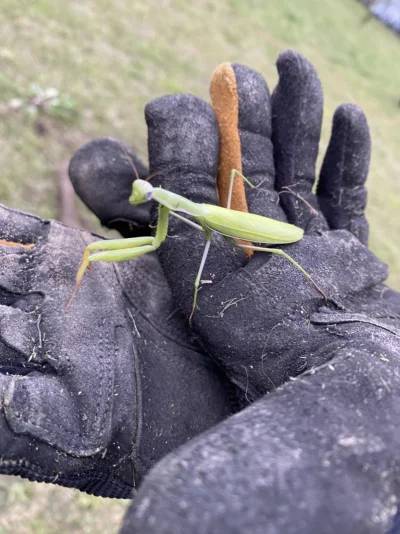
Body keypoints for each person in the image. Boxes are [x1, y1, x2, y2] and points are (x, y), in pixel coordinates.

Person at [0, 49, 399, 533]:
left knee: (206, 226)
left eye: (145, 195)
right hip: (229, 236)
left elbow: (196, 236)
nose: (138, 197)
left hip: (270, 241)